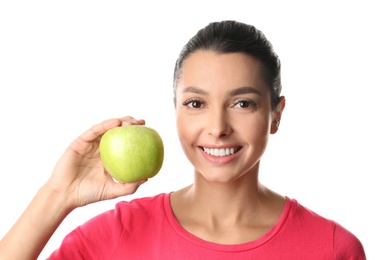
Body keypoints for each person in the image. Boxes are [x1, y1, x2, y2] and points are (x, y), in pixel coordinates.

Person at [0, 20, 366, 260]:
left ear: (276, 114)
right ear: (175, 110)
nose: (218, 126)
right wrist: (57, 194)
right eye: (196, 103)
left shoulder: (333, 248)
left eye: (242, 103)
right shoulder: (117, 234)